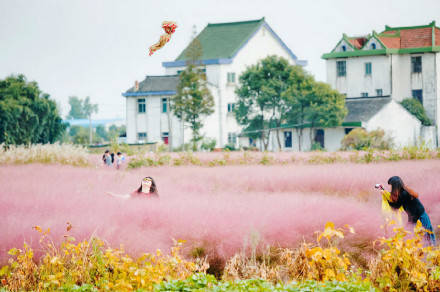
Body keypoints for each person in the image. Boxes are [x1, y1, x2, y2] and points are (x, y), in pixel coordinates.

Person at [384, 176, 435, 245]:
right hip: (418, 213)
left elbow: (396, 206)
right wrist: (385, 192)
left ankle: (430, 248)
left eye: (391, 186)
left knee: (426, 232)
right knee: (426, 230)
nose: (391, 188)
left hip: (418, 214)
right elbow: (395, 199)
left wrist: (386, 198)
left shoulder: (403, 194)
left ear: (395, 186)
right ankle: (428, 246)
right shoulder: (404, 190)